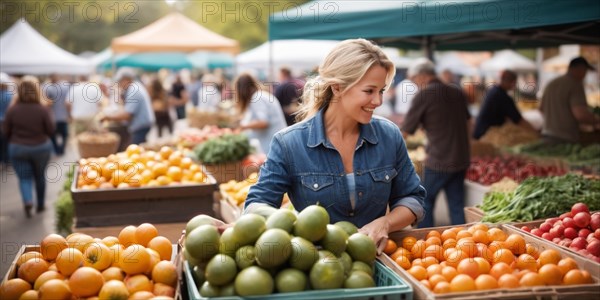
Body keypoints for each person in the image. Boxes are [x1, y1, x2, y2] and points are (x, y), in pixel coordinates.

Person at [243, 39, 425, 253]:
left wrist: (385, 222)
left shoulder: (389, 135)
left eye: (382, 91)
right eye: (369, 91)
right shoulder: (289, 143)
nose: (378, 101)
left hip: (378, 258)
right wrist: (295, 224)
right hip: (315, 267)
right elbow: (257, 204)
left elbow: (413, 197)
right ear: (337, 88)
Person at [402, 58, 470, 228]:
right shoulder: (456, 91)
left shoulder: (424, 95)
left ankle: (427, 242)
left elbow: (405, 131)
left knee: (424, 202)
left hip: (439, 159)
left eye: (414, 80)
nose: (414, 84)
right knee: (456, 206)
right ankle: (461, 241)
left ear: (423, 76)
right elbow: (468, 122)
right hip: (461, 158)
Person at [3, 76, 54, 217]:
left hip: (18, 147)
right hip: (40, 147)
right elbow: (50, 129)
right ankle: (41, 204)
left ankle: (28, 201)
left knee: (24, 177)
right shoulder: (42, 109)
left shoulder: (12, 109)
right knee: (40, 176)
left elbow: (6, 130)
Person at [540, 56, 600, 143]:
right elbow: (580, 114)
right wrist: (597, 120)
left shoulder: (552, 83)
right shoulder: (575, 85)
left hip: (547, 134)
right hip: (565, 137)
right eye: (585, 71)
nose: (585, 75)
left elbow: (541, 109)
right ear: (580, 69)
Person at [233, 73, 287, 154]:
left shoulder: (257, 98)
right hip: (279, 142)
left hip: (274, 144)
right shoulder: (260, 95)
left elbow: (263, 122)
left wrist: (243, 126)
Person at [473, 70, 536, 139]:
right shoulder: (502, 96)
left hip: (481, 131)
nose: (514, 86)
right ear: (511, 82)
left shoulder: (493, 90)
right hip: (486, 135)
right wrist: (535, 132)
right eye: (514, 83)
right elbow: (519, 120)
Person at [103, 68, 155, 145]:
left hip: (141, 126)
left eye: (120, 81)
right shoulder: (135, 86)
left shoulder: (133, 90)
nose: (119, 84)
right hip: (143, 125)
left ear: (126, 80)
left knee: (135, 149)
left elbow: (127, 115)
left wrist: (108, 117)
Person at [43, 74, 70, 155]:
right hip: (57, 116)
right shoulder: (64, 87)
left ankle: (59, 149)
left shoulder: (48, 88)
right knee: (61, 134)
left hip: (56, 116)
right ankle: (59, 149)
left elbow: (46, 103)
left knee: (58, 134)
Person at [0, 73, 15, 165]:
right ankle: (7, 159)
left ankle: (2, 159)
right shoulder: (10, 95)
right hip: (7, 121)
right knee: (7, 140)